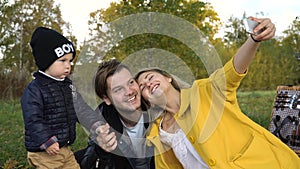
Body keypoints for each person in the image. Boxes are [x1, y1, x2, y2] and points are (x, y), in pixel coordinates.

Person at [135, 17, 300, 168]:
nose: (147, 84)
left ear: (168, 78)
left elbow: (233, 70)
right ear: (146, 100)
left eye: (150, 77)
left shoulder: (205, 91)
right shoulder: (157, 133)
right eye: (142, 86)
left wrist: (254, 39)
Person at [21, 27, 102, 169]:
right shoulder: (35, 89)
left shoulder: (68, 86)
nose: (68, 66)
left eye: (70, 61)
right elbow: (33, 119)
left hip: (64, 148)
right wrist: (47, 140)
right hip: (44, 152)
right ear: (46, 61)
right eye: (62, 60)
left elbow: (81, 109)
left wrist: (95, 123)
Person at [79, 60, 155, 169]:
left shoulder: (155, 107)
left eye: (130, 82)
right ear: (107, 99)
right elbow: (88, 164)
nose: (129, 91)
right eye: (118, 89)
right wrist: (101, 151)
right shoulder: (101, 122)